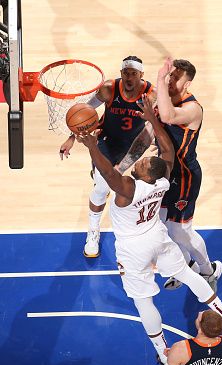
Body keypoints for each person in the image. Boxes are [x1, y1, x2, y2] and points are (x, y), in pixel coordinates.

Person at [76, 93, 222, 365]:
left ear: (145, 174)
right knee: (189, 276)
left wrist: (91, 146)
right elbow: (167, 150)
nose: (140, 161)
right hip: (158, 237)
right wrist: (153, 121)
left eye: (142, 163)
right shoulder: (162, 182)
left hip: (133, 247)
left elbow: (108, 173)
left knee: (143, 301)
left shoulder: (127, 189)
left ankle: (162, 351)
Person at [122, 57, 222, 292]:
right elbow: (146, 137)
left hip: (185, 175)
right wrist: (121, 167)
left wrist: (159, 79)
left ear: (187, 85)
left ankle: (208, 270)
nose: (171, 81)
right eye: (170, 76)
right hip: (163, 172)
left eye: (176, 78)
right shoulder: (160, 101)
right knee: (163, 226)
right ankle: (186, 266)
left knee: (180, 230)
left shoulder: (192, 108)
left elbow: (167, 117)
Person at [59, 55, 155, 258]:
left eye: (134, 74)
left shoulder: (150, 95)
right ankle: (93, 232)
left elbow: (150, 130)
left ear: (141, 75)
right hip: (106, 141)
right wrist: (71, 138)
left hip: (133, 145)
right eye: (126, 73)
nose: (129, 78)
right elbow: (85, 112)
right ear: (121, 74)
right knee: (102, 188)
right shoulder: (109, 88)